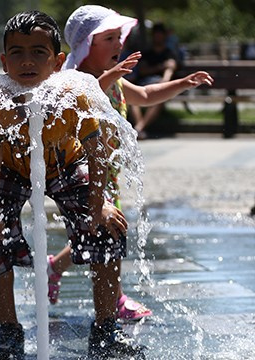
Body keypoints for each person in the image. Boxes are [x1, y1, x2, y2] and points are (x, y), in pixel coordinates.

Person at [0, 10, 145, 359]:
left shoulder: (75, 93)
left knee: (108, 227)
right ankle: (8, 331)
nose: (27, 61)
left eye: (38, 52)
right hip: (13, 169)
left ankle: (105, 328)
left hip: (64, 161)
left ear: (58, 61)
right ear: (3, 60)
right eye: (17, 53)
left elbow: (96, 148)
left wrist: (99, 202)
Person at [48, 4, 213, 324]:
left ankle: (57, 268)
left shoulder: (118, 81)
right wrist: (109, 77)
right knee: (107, 235)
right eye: (108, 38)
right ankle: (112, 303)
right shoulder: (75, 80)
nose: (118, 44)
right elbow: (79, 100)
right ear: (85, 45)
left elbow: (147, 94)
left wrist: (182, 83)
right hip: (82, 175)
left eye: (118, 36)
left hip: (107, 175)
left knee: (100, 234)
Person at [129, 23, 180, 139]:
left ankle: (139, 128)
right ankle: (139, 127)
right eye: (156, 35)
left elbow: (170, 68)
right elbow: (143, 70)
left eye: (160, 35)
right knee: (133, 99)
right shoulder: (147, 53)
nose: (158, 37)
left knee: (158, 99)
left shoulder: (169, 53)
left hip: (160, 83)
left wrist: (164, 82)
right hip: (144, 83)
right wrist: (160, 67)